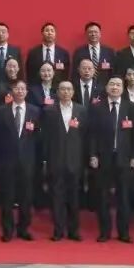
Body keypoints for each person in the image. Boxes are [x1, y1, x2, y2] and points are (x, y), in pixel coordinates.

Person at [89, 76, 134, 243]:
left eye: (118, 85)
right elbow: (92, 134)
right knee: (103, 197)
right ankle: (104, 231)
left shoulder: (131, 107)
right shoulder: (97, 108)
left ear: (123, 89)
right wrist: (93, 154)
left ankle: (124, 232)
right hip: (103, 158)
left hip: (125, 158)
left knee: (124, 197)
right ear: (106, 88)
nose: (115, 87)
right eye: (112, 84)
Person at [0, 80, 39, 241]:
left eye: (22, 89)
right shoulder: (0, 111)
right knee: (6, 197)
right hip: (6, 162)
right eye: (16, 89)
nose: (19, 91)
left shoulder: (35, 111)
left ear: (27, 92)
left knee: (26, 197)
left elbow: (38, 138)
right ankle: (7, 230)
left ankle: (23, 229)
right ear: (11, 91)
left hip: (27, 162)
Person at [42, 81, 86, 241]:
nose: (66, 92)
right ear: (58, 92)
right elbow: (45, 138)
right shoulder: (49, 111)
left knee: (74, 197)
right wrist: (45, 159)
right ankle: (58, 230)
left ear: (73, 92)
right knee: (57, 197)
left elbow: (85, 136)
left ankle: (74, 231)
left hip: (75, 161)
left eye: (69, 89)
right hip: (55, 160)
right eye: (63, 89)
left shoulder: (81, 110)